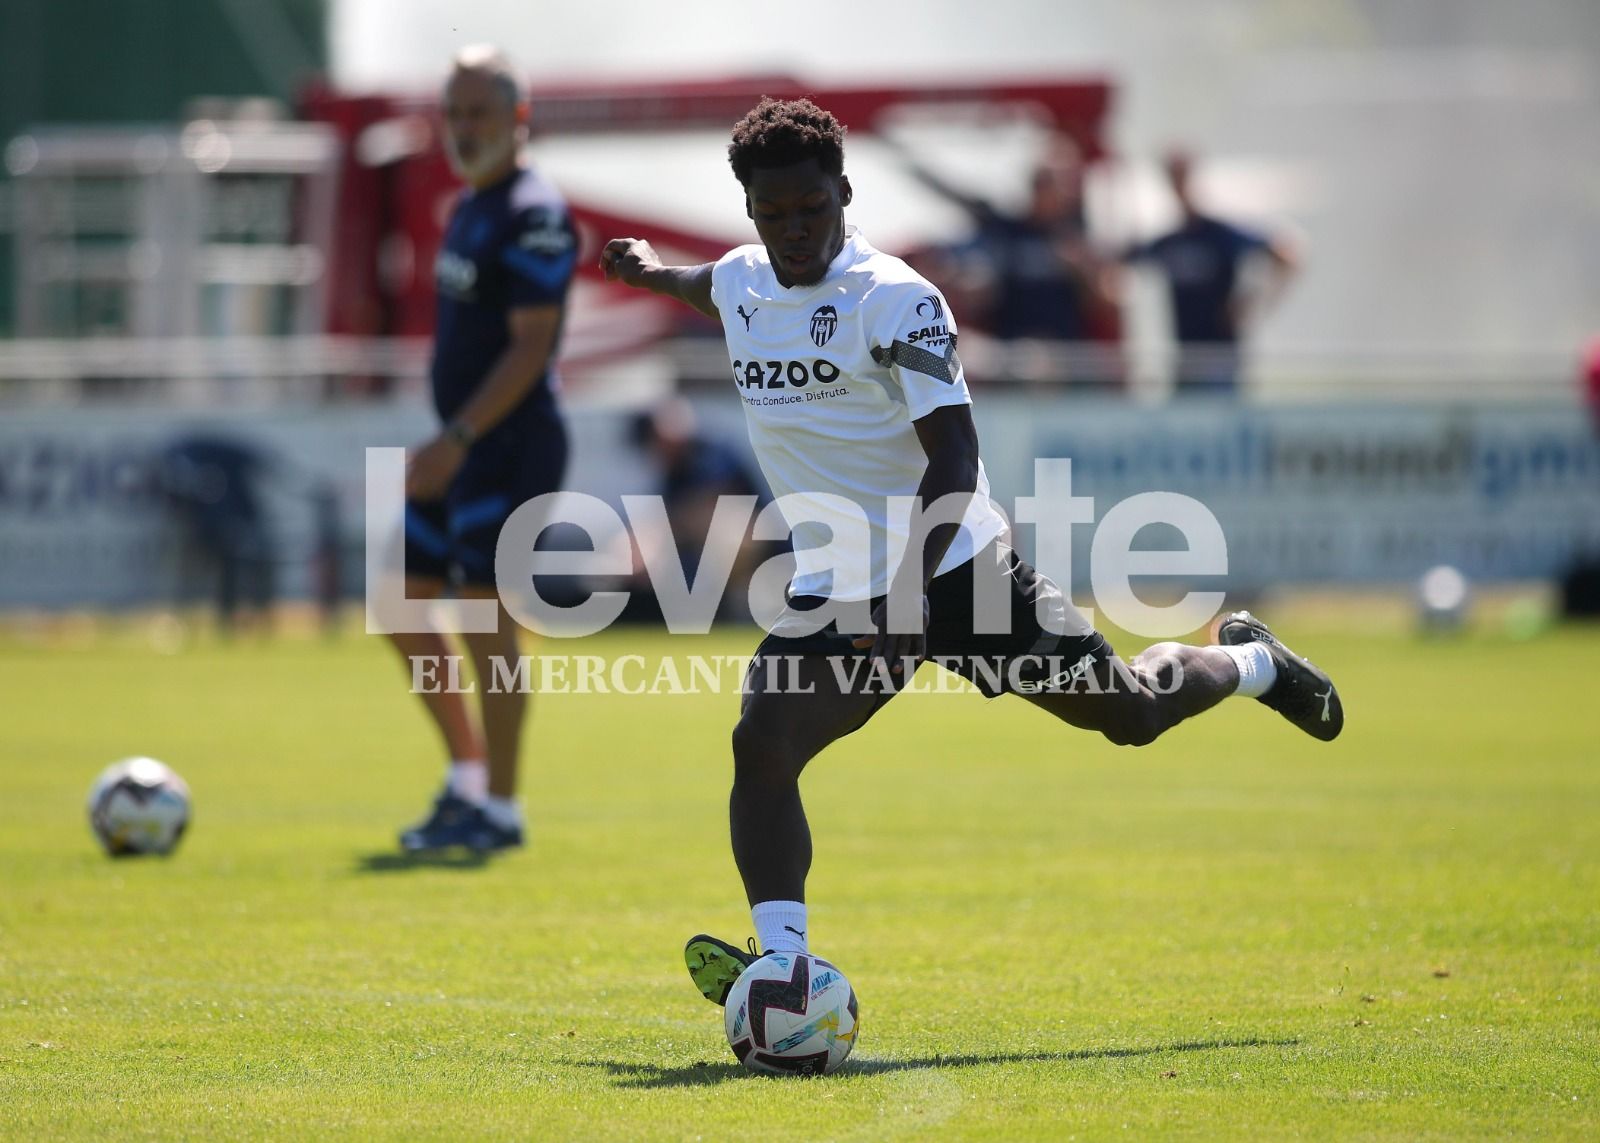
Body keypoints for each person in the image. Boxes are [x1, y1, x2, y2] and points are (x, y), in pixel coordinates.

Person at [599, 98, 1342, 1008]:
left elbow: (956, 457)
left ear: (844, 190)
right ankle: (784, 963)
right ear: (750, 209)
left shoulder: (895, 297)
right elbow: (699, 283)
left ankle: (1254, 661)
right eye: (773, 212)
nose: (795, 229)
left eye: (812, 208)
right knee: (763, 740)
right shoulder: (741, 280)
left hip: (962, 575)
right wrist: (642, 270)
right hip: (838, 592)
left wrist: (909, 598)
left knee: (1134, 716)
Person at [387, 46, 577, 854]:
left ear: (518, 118)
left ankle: (500, 806)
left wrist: (457, 437)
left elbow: (532, 346)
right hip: (457, 446)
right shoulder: (470, 205)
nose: (463, 129)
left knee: (485, 624)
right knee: (401, 605)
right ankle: (467, 778)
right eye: (454, 114)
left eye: (479, 114)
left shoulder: (534, 210)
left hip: (507, 446)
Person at [1121, 150, 1300, 394]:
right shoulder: (1168, 242)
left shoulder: (1221, 234)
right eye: (1172, 177)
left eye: (1182, 175)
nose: (1178, 184)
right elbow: (1120, 265)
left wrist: (1254, 300)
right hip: (1185, 358)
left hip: (1220, 358)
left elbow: (1287, 254)